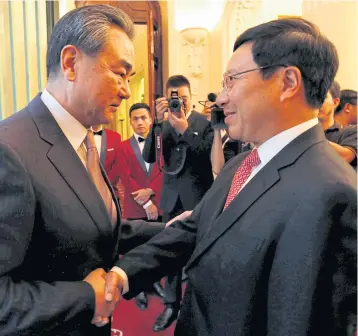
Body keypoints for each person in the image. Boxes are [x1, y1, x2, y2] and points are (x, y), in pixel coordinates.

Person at [103, 17, 357, 336]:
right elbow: (195, 229)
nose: (221, 99)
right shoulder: (243, 165)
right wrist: (121, 275)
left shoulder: (331, 193)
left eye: (232, 80)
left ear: (288, 82)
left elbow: (299, 322)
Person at [0, 5, 165, 336]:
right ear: (71, 63)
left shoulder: (82, 141)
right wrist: (86, 297)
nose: (127, 91)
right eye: (119, 73)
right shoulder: (10, 151)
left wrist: (173, 229)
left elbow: (89, 228)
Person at [142, 75, 214, 331]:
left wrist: (184, 128)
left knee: (200, 254)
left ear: (190, 97)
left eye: (182, 98)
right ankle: (171, 303)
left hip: (198, 198)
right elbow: (149, 156)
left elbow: (208, 158)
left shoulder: (204, 123)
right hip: (171, 199)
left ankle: (197, 304)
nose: (177, 103)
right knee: (170, 253)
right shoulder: (162, 123)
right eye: (173, 98)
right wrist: (156, 124)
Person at [117, 102, 165, 309]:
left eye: (144, 118)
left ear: (151, 119)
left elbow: (166, 172)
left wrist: (151, 193)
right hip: (136, 207)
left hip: (160, 203)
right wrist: (146, 203)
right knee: (136, 252)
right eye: (135, 119)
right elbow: (126, 180)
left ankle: (154, 282)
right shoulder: (122, 147)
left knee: (157, 247)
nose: (140, 122)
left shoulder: (162, 143)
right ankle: (139, 291)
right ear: (130, 122)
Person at [318, 81, 357, 168]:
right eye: (313, 97)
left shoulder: (351, 132)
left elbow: (344, 157)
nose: (316, 102)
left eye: (323, 97)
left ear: (335, 102)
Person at [92, 124, 122, 199]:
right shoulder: (80, 136)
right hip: (87, 192)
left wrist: (105, 185)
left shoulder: (115, 136)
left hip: (110, 191)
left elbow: (117, 166)